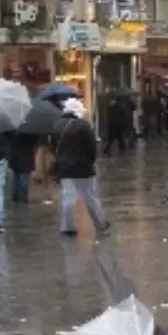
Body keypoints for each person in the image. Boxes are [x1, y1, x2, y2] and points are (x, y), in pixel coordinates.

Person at [54, 98, 109, 236]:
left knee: (68, 197)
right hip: (83, 167)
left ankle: (68, 227)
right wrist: (90, 161)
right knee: (91, 196)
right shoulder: (84, 126)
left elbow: (53, 146)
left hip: (65, 167)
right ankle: (100, 223)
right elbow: (91, 147)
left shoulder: (57, 125)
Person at [8, 131, 36, 203]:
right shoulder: (28, 128)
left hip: (14, 155)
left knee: (16, 176)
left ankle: (16, 194)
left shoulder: (12, 127)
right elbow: (33, 141)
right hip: (25, 155)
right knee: (24, 177)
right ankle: (24, 196)